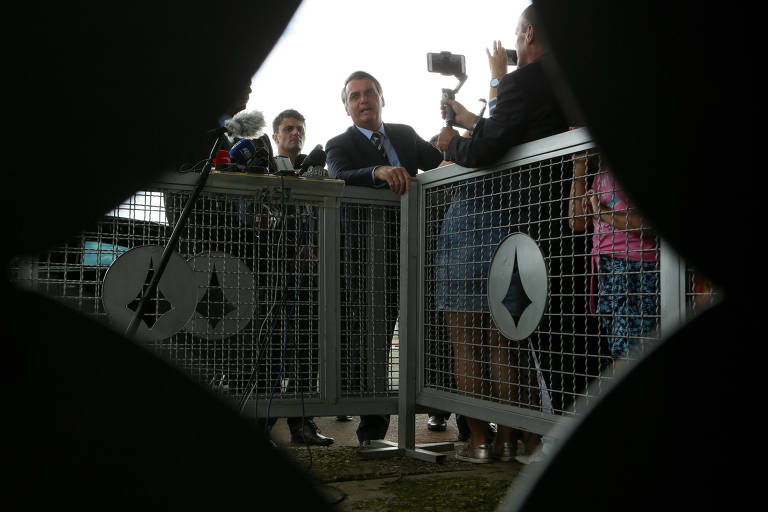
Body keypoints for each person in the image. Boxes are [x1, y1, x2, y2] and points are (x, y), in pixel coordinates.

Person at [434, 5, 569, 464]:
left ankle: (483, 441)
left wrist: (454, 141)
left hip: (513, 226)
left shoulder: (522, 81)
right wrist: (475, 119)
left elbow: (490, 147)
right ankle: (519, 439)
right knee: (514, 341)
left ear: (528, 33)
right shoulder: (570, 80)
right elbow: (505, 129)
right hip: (551, 225)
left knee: (474, 339)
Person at [326, 70, 443, 446]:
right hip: (370, 263)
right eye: (355, 96)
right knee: (373, 344)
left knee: (431, 333)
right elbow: (341, 173)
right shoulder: (337, 143)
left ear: (382, 98)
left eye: (370, 93)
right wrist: (379, 171)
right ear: (346, 106)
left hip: (418, 255)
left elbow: (438, 161)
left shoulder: (406, 134)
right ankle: (371, 432)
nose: (364, 100)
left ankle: (441, 407)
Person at [250, 109, 334, 446]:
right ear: (276, 136)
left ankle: (303, 425)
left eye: (300, 128)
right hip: (271, 274)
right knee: (270, 350)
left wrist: (313, 246)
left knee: (308, 349)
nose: (295, 133)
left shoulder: (315, 172)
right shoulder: (264, 170)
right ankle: (262, 424)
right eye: (288, 128)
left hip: (307, 276)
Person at [568, 150, 659, 371]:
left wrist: (602, 213)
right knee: (618, 351)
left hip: (636, 266)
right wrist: (580, 164)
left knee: (631, 353)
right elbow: (577, 222)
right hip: (605, 267)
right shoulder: (600, 170)